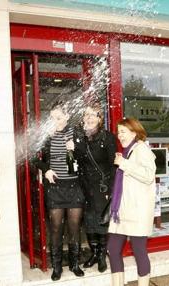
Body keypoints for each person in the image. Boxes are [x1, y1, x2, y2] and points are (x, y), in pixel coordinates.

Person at [35, 101, 85, 280]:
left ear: (67, 116)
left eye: (58, 117)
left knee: (74, 228)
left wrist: (76, 148)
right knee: (56, 228)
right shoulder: (46, 135)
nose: (54, 121)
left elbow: (85, 155)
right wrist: (46, 169)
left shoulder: (77, 132)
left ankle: (74, 264)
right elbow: (35, 158)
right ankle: (57, 266)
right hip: (55, 188)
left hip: (74, 188)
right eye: (52, 118)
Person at [107, 118, 156, 286]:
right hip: (122, 211)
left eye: (123, 132)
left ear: (134, 132)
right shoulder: (128, 151)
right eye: (118, 132)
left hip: (137, 211)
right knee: (113, 250)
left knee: (139, 251)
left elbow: (149, 175)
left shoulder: (142, 149)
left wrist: (124, 164)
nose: (120, 135)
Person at [74, 104, 116, 273]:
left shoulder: (108, 138)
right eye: (86, 115)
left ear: (100, 119)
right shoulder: (80, 138)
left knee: (102, 222)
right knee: (89, 223)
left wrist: (112, 190)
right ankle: (94, 253)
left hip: (102, 187)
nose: (89, 118)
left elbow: (114, 165)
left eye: (94, 115)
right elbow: (78, 162)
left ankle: (101, 257)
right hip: (85, 188)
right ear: (83, 119)